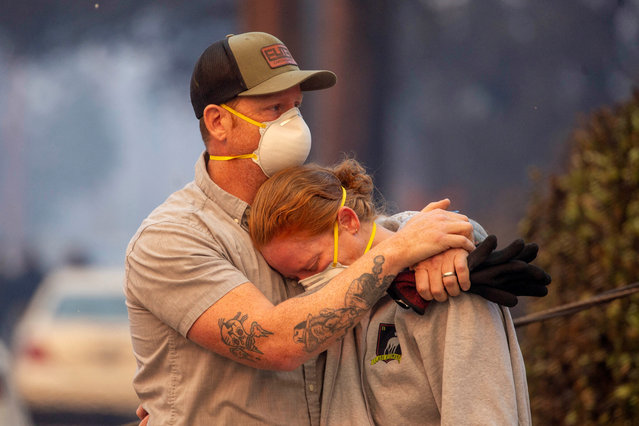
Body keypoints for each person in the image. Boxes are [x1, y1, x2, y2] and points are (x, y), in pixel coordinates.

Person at [125, 32, 476, 425]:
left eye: (297, 107)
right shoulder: (171, 238)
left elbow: (374, 231)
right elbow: (276, 342)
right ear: (218, 121)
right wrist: (398, 253)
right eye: (274, 108)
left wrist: (439, 241)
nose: (293, 123)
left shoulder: (300, 210)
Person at [247, 158, 533, 425]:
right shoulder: (336, 316)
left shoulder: (445, 281)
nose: (309, 284)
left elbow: (481, 413)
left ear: (348, 221)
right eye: (295, 279)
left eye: (312, 264)